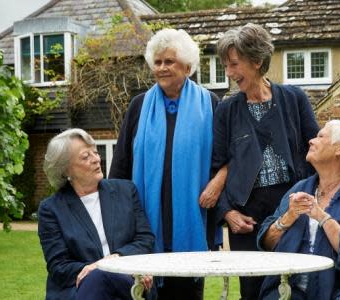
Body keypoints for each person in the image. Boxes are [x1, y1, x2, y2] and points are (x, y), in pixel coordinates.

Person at [108, 28, 225, 299]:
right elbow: (122, 162)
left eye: (169, 61)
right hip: (147, 219)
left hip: (193, 218)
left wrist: (217, 183)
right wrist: (118, 215)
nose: (162, 68)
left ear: (187, 66)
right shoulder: (139, 106)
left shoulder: (210, 103)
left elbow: (226, 159)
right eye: (158, 62)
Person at [213, 23, 319, 299]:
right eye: (225, 65)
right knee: (251, 291)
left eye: (234, 64)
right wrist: (227, 213)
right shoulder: (227, 110)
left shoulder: (294, 99)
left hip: (290, 206)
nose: (229, 73)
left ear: (257, 61)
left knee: (292, 285)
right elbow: (216, 166)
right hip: (246, 215)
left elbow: (317, 149)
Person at [258, 120, 340, 300]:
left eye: (320, 136)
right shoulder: (300, 189)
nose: (311, 141)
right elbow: (267, 243)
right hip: (294, 284)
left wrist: (321, 217)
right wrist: (288, 217)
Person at [38, 128, 155, 300]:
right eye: (86, 157)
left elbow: (145, 239)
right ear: (65, 170)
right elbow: (59, 267)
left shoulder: (126, 190)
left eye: (95, 152)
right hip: (78, 288)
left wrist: (112, 261)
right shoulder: (51, 209)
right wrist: (99, 269)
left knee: (103, 274)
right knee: (99, 277)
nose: (96, 159)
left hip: (127, 280)